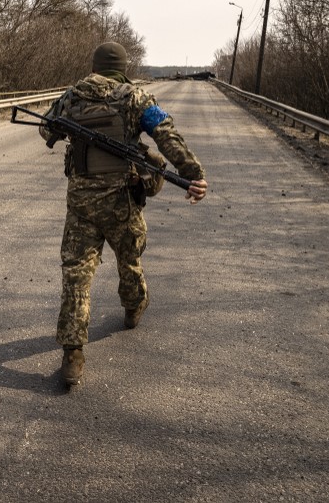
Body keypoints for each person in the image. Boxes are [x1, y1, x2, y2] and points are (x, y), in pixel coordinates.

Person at [39, 41, 207, 387]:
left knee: (76, 276)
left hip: (82, 204)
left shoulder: (73, 95)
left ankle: (72, 354)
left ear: (95, 65)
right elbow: (166, 134)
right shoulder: (134, 97)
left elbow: (46, 129)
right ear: (123, 66)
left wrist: (70, 127)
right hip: (122, 201)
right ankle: (133, 306)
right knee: (129, 258)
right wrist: (192, 173)